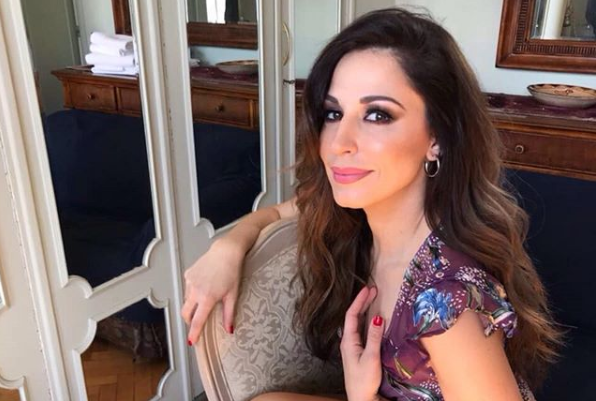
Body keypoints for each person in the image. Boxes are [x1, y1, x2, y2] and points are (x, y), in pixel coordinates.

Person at [182, 8, 561, 401]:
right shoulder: (362, 213)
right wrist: (228, 246)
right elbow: (282, 212)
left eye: (378, 115)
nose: (339, 142)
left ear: (437, 138)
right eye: (333, 113)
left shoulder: (446, 301)